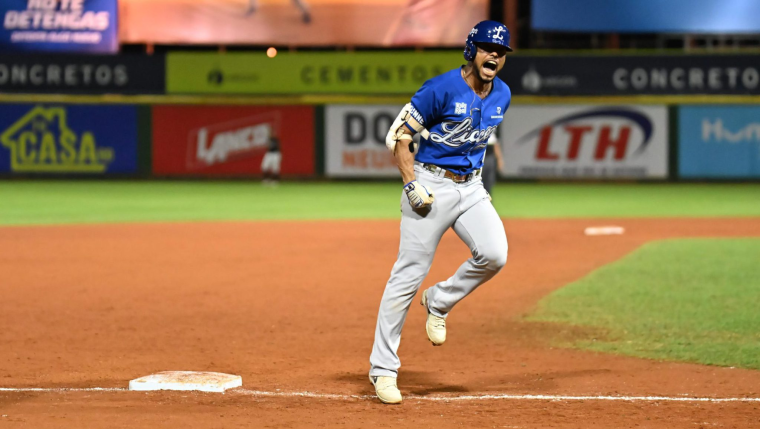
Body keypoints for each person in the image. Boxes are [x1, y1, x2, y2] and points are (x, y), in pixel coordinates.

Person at [369, 20, 513, 404]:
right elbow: (399, 135)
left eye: (500, 52)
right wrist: (411, 182)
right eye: (487, 48)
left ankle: (440, 301)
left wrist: (475, 186)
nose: (494, 56)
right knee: (406, 276)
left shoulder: (502, 94)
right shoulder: (440, 88)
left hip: (471, 186)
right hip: (431, 184)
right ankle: (383, 370)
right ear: (471, 50)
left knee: (495, 253)